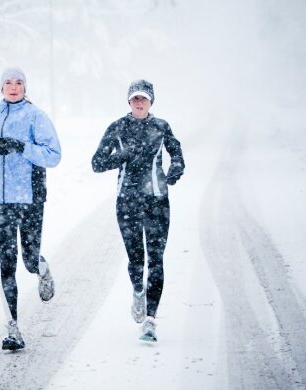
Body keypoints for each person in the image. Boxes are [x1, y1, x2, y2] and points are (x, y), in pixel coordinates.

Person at [0, 66, 62, 351]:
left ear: (25, 87)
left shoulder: (36, 116)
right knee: (6, 264)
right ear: (0, 88)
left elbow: (54, 155)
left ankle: (42, 269)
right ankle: (13, 330)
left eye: (18, 82)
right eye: (7, 82)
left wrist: (21, 146)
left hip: (30, 197)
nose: (13, 87)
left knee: (29, 259)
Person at [91, 79, 184, 342]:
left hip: (157, 201)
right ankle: (138, 291)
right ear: (129, 102)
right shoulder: (118, 127)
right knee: (136, 260)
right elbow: (96, 163)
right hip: (127, 202)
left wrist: (175, 168)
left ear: (151, 101)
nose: (139, 103)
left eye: (144, 98)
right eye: (135, 99)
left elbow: (177, 153)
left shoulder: (161, 127)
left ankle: (151, 320)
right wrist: (122, 155)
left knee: (156, 260)